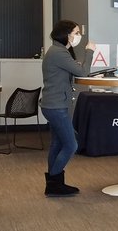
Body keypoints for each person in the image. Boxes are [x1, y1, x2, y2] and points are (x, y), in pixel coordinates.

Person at [40, 20, 95, 197]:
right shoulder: (59, 53)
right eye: (76, 32)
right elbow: (83, 72)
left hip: (53, 104)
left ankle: (56, 184)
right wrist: (89, 51)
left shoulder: (57, 51)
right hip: (56, 106)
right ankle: (53, 183)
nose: (79, 36)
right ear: (66, 34)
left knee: (58, 143)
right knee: (71, 145)